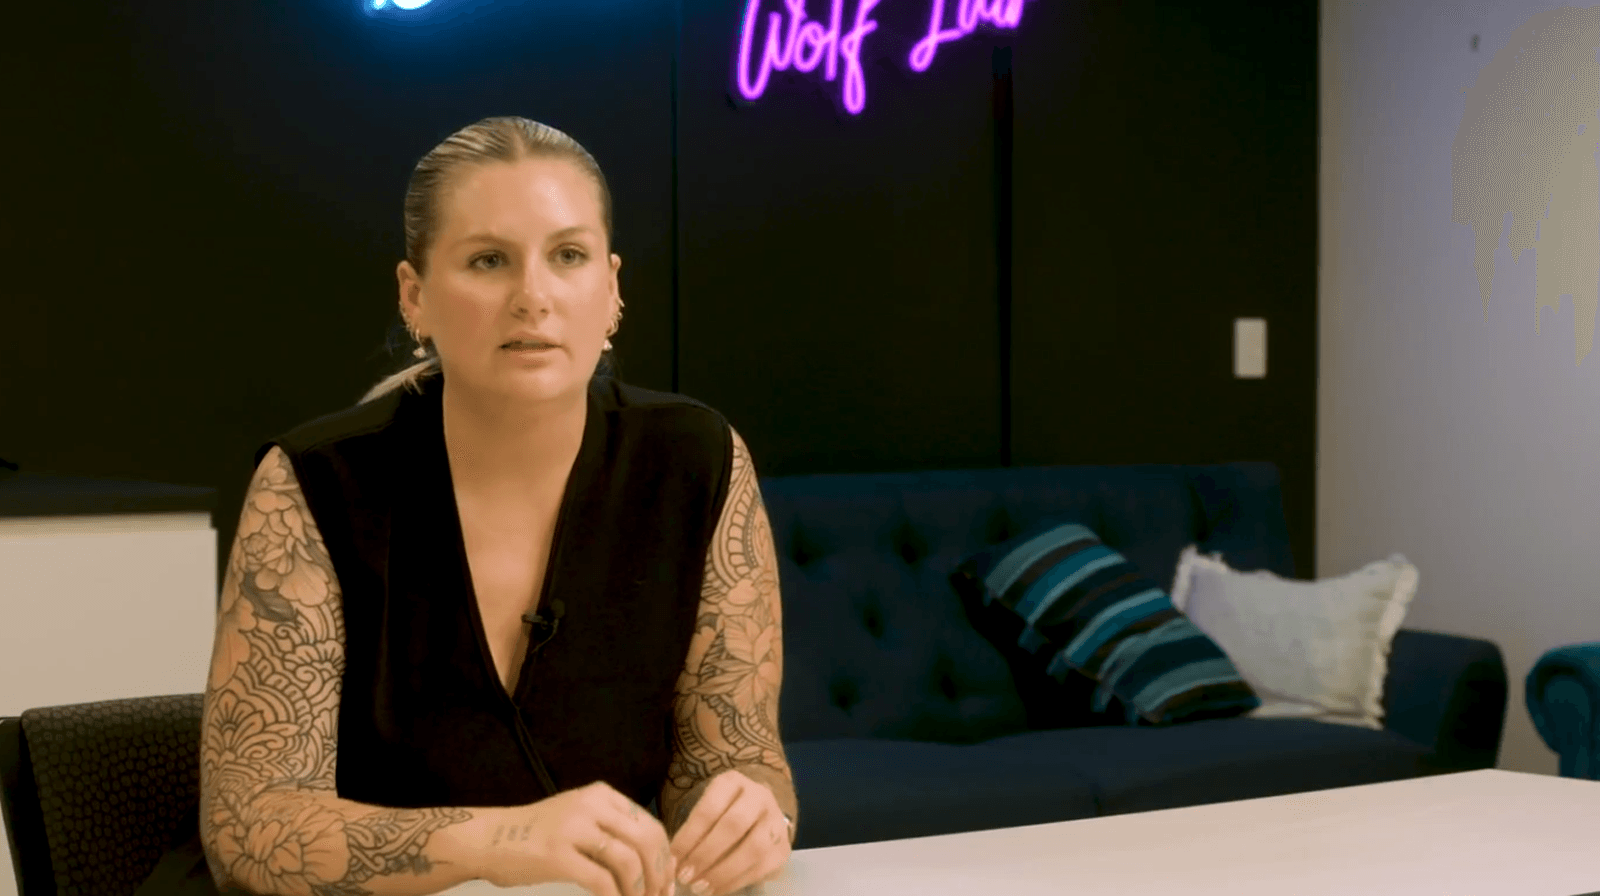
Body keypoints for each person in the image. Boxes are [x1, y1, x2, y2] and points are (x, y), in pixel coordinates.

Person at [192, 116, 797, 896]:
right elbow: (251, 828)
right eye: (488, 261)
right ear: (415, 297)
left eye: (568, 256)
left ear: (612, 290)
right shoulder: (314, 482)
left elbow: (735, 758)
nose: (533, 297)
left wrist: (750, 816)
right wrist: (502, 841)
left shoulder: (697, 459)